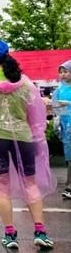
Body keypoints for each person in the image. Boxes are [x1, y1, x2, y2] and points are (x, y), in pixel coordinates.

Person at [0, 39, 56, 250]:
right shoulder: (24, 82)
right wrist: (38, 138)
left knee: (1, 187)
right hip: (24, 138)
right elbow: (35, 113)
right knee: (30, 184)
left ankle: (10, 234)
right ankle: (40, 231)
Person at [52, 60, 71, 199]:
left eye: (66, 71)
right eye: (61, 72)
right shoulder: (59, 90)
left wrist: (69, 103)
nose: (63, 74)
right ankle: (69, 184)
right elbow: (54, 106)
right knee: (69, 157)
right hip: (65, 128)